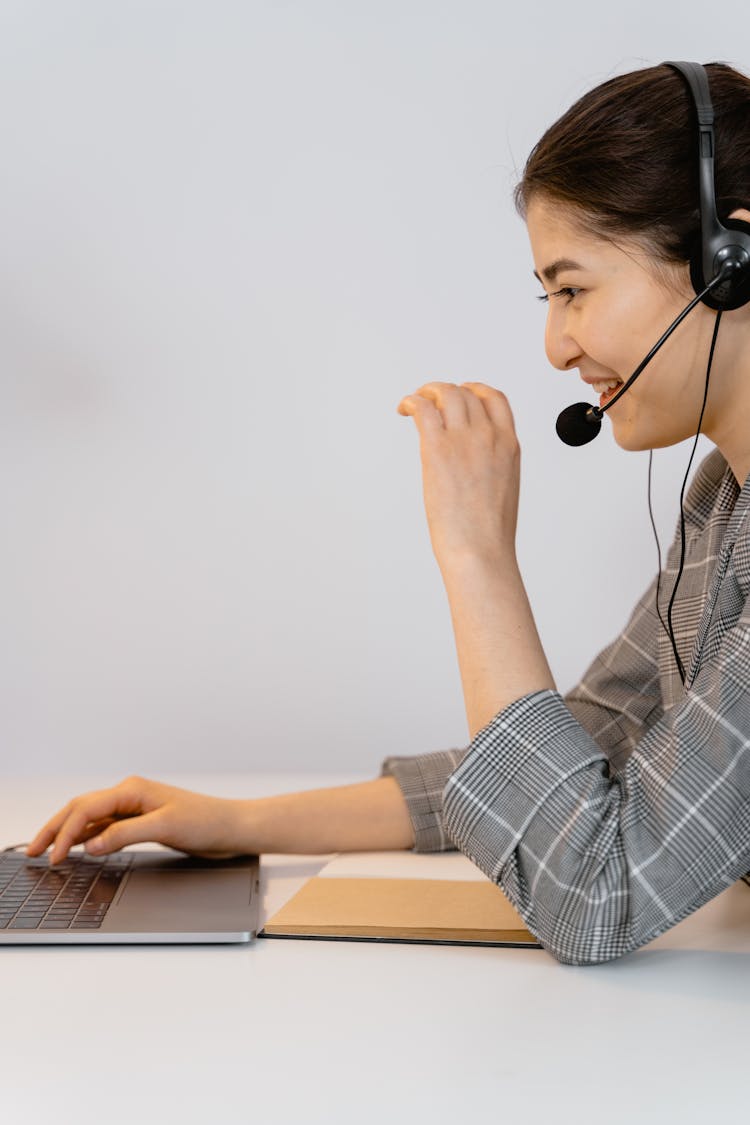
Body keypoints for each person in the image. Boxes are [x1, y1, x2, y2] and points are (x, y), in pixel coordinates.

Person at [25, 61, 750, 966]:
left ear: (729, 262)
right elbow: (596, 737)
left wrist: (476, 555)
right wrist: (238, 823)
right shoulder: (725, 497)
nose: (557, 345)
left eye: (574, 290)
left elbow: (593, 896)